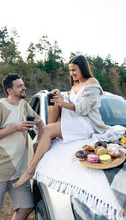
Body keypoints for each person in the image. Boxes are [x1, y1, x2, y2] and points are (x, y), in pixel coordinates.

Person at [13, 55, 110, 188]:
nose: (72, 73)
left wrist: (63, 102)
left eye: (74, 70)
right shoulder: (76, 84)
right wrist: (59, 96)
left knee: (47, 128)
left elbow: (83, 108)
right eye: (70, 70)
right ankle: (48, 136)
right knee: (54, 100)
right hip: (75, 119)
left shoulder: (92, 82)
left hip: (87, 123)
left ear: (83, 68)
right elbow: (69, 101)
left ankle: (30, 171)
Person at [0, 73, 44, 220]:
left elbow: (40, 123)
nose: (24, 87)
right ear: (9, 90)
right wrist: (15, 128)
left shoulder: (24, 105)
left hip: (18, 171)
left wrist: (39, 140)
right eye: (20, 85)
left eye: (23, 85)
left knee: (27, 207)